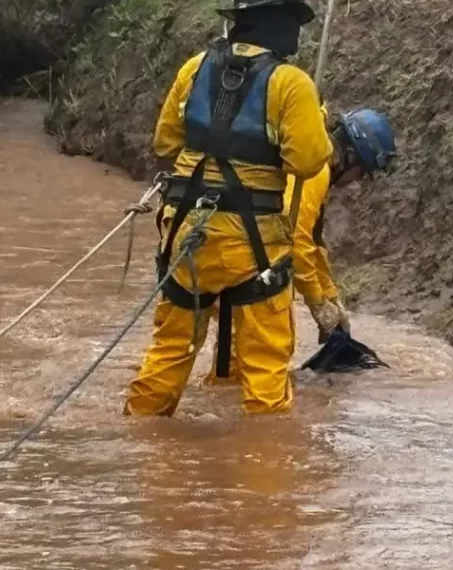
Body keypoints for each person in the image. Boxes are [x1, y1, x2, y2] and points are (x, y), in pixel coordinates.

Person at [124, 0, 333, 417]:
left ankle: (140, 438)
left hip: (185, 230)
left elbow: (166, 143)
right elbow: (307, 162)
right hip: (252, 242)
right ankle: (263, 465)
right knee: (265, 364)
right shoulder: (291, 83)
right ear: (281, 25)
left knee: (170, 349)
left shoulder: (194, 68)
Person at [203, 107, 398, 385]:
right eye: (361, 173)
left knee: (224, 345)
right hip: (235, 256)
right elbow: (295, 238)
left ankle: (217, 401)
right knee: (257, 351)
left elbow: (313, 244)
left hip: (216, 245)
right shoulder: (315, 172)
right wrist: (318, 303)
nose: (357, 182)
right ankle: (231, 414)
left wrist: (331, 297)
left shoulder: (311, 162)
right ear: (351, 156)